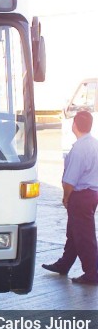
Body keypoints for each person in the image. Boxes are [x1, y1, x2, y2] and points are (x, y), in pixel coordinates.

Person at [42, 110, 98, 285]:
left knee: (84, 235)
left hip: (81, 195)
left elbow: (70, 181)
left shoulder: (79, 148)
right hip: (92, 193)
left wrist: (66, 198)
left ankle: (92, 273)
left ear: (74, 125)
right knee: (74, 231)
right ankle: (64, 264)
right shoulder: (94, 144)